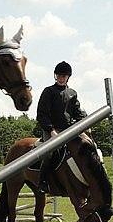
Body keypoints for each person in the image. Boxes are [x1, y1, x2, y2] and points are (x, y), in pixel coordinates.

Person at [35, 61, 87, 193]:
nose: (61, 78)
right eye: (59, 75)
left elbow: (77, 111)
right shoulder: (48, 91)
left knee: (87, 145)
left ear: (68, 77)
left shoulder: (72, 93)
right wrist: (51, 130)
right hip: (51, 129)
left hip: (69, 130)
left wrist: (86, 122)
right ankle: (43, 181)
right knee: (51, 152)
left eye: (64, 76)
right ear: (55, 76)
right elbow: (42, 114)